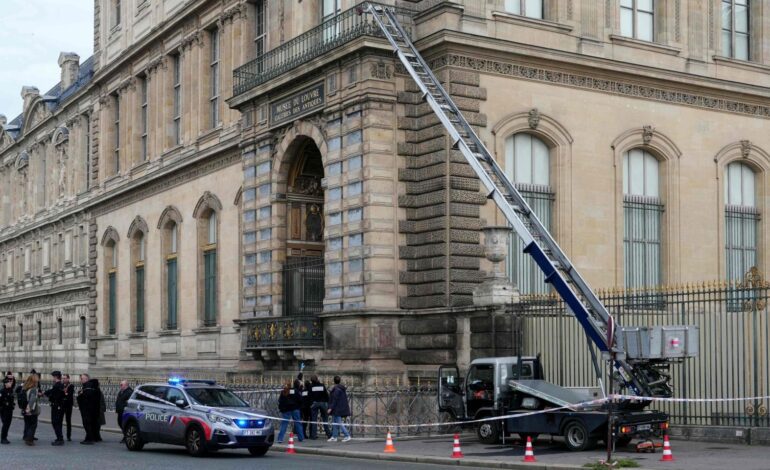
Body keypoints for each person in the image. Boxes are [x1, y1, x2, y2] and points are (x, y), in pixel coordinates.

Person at [76, 374, 99, 445]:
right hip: (88, 408)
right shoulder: (88, 386)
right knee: (87, 424)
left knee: (87, 424)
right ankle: (88, 438)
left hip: (87, 409)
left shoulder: (88, 387)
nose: (81, 380)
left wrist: (80, 394)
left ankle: (90, 439)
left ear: (86, 379)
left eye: (82, 379)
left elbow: (87, 397)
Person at [44, 371, 65, 445]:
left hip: (57, 406)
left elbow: (53, 394)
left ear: (56, 377)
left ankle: (60, 439)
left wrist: (46, 394)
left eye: (53, 377)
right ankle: (59, 438)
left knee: (55, 422)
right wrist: (45, 393)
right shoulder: (59, 385)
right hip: (58, 406)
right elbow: (52, 391)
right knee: (57, 422)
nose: (52, 378)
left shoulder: (57, 385)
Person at [327, 375, 351, 442]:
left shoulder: (336, 389)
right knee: (334, 422)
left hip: (337, 408)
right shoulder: (341, 388)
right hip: (338, 408)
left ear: (333, 381)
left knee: (339, 423)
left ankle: (347, 435)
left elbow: (335, 399)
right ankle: (334, 436)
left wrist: (330, 408)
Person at [308, 374, 331, 439]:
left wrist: (311, 403)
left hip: (314, 403)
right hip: (323, 403)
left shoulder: (311, 386)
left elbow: (309, 396)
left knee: (314, 420)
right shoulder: (322, 385)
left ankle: (313, 435)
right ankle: (328, 434)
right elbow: (326, 395)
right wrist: (327, 403)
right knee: (325, 419)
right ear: (317, 379)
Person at [21, 374, 41, 445]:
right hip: (31, 410)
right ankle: (29, 440)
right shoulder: (33, 389)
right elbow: (32, 400)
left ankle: (25, 436)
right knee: (33, 425)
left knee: (27, 424)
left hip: (24, 408)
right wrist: (29, 410)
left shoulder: (25, 388)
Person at [0, 376, 15, 444]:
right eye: (9, 382)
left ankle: (5, 437)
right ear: (5, 384)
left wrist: (12, 404)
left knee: (8, 424)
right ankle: (3, 438)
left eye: (11, 382)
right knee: (5, 424)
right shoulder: (2, 391)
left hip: (10, 410)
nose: (11, 383)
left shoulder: (10, 390)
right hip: (4, 410)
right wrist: (4, 404)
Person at [62, 374, 75, 441]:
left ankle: (68, 436)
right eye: (63, 378)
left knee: (68, 421)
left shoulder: (71, 386)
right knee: (60, 420)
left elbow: (69, 395)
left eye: (65, 378)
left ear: (68, 379)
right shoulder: (61, 385)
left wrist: (64, 394)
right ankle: (60, 436)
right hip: (62, 405)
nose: (63, 379)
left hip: (68, 405)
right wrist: (65, 394)